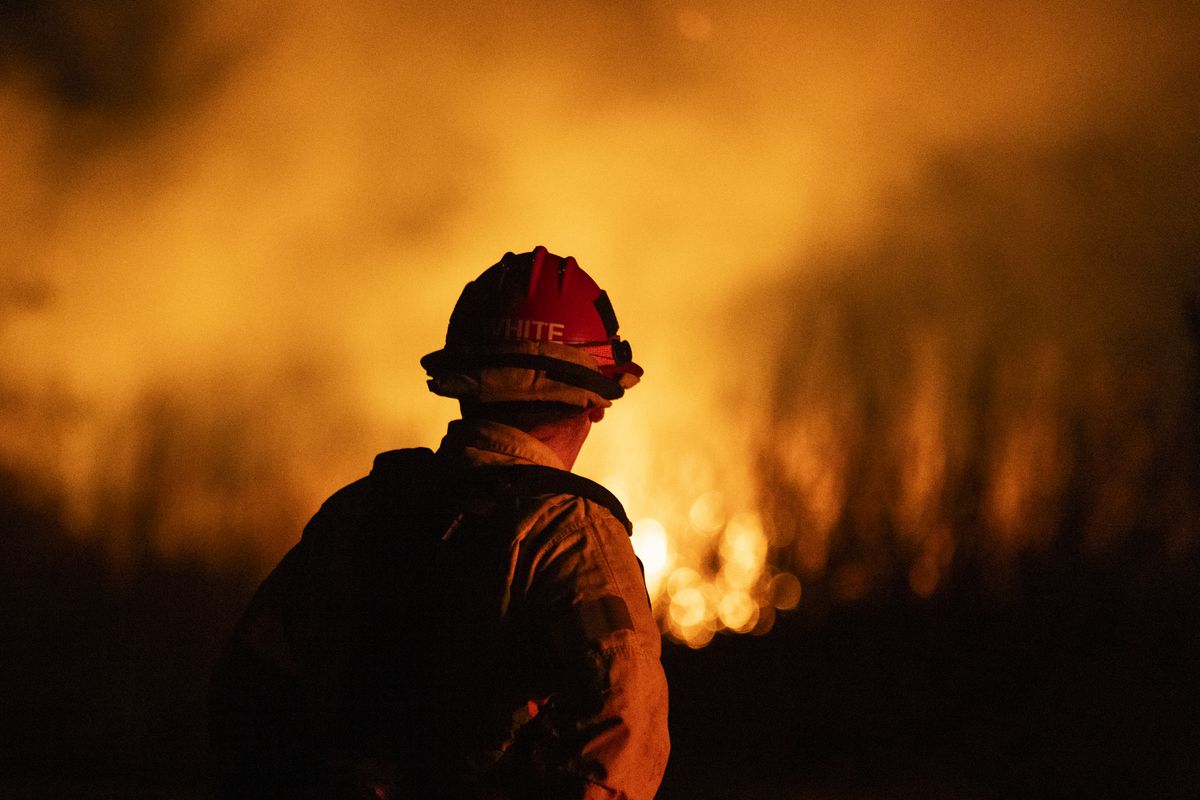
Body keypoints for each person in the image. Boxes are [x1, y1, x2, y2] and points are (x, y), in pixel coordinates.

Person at [210, 246, 670, 799]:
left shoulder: (357, 512)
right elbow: (622, 726)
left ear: (462, 381)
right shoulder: (572, 534)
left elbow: (248, 687)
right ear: (593, 401)